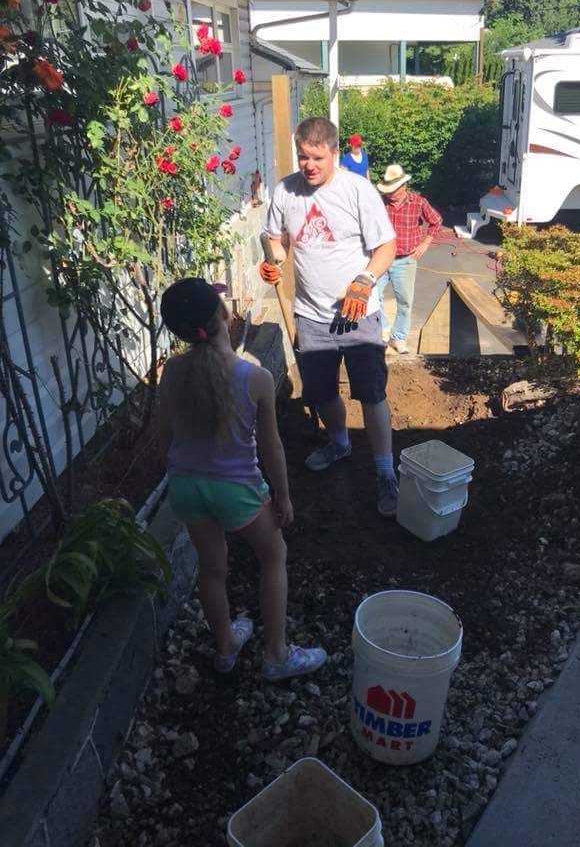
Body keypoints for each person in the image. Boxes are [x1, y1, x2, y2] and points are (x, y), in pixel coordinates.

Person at [156, 277, 326, 681]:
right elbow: (272, 448)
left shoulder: (170, 372)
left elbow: (163, 435)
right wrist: (281, 496)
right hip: (236, 491)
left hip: (185, 486)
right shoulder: (255, 378)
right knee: (273, 556)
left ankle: (227, 645)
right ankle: (277, 654)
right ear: (221, 315)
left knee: (212, 568)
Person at [259, 117, 399, 517]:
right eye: (303, 157)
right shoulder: (286, 191)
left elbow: (386, 246)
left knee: (371, 393)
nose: (309, 165)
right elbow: (276, 238)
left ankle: (385, 471)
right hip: (311, 315)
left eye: (317, 158)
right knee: (320, 392)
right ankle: (339, 442)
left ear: (335, 153)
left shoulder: (357, 190)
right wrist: (275, 262)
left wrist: (365, 279)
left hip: (358, 313)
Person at [377, 164, 443, 354]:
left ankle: (399, 337)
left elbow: (436, 221)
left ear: (403, 186)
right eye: (387, 190)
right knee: (373, 297)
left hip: (405, 260)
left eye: (392, 190)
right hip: (381, 257)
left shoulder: (418, 203)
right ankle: (382, 332)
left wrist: (425, 243)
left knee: (405, 301)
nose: (389, 194)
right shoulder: (379, 202)